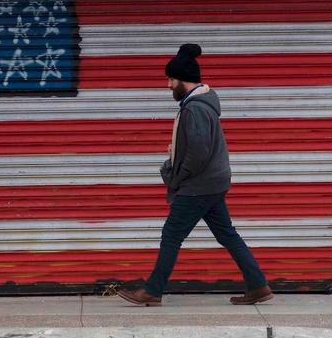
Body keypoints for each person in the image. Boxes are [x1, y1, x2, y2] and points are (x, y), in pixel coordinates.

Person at [117, 43, 274, 307]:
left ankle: (153, 290)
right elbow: (197, 146)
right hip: (212, 182)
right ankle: (258, 285)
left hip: (199, 185)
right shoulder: (200, 104)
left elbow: (199, 152)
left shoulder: (195, 108)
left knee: (171, 235)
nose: (168, 85)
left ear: (183, 80)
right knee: (227, 234)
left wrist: (179, 175)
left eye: (171, 79)